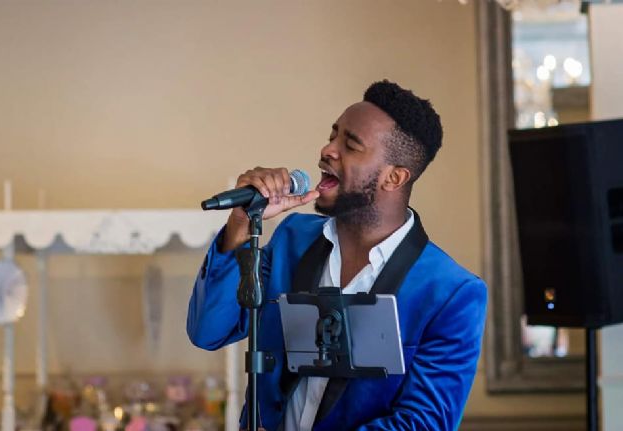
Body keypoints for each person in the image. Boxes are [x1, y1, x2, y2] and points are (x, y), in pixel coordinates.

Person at [187, 80, 487, 430]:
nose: (327, 150)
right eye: (333, 136)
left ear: (394, 177)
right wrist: (240, 222)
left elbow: (423, 423)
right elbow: (208, 331)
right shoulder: (291, 240)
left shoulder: (451, 294)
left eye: (350, 145)